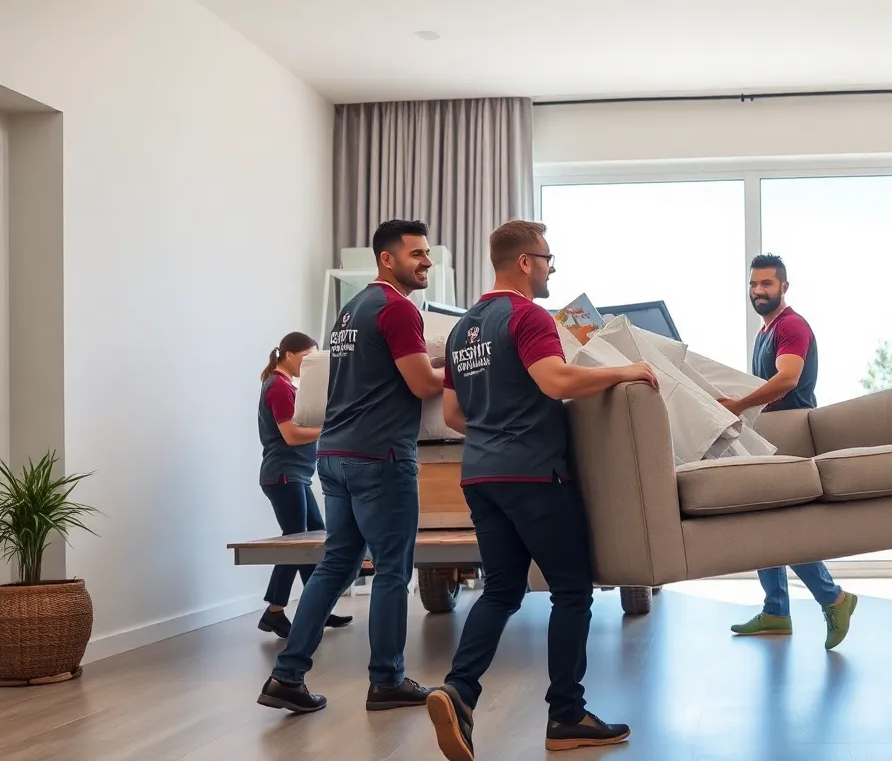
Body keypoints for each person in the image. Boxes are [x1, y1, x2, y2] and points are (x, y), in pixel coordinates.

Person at [427, 220, 656, 759]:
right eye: (549, 259)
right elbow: (554, 381)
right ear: (526, 262)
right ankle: (566, 714)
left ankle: (458, 691)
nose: (553, 268)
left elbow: (454, 414)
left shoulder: (463, 330)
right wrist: (627, 371)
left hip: (480, 475)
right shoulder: (527, 315)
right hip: (531, 473)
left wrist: (494, 425)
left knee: (502, 590)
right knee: (571, 590)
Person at [257, 219, 445, 714]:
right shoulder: (398, 309)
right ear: (388, 259)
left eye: (427, 253)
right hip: (380, 457)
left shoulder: (351, 309)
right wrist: (470, 368)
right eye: (417, 254)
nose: (426, 261)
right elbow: (423, 384)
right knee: (391, 570)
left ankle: (287, 674)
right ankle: (387, 679)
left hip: (335, 457)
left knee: (336, 564)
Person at [714, 253, 858, 651]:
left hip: (792, 431)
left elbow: (788, 378)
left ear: (784, 287)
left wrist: (740, 404)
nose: (758, 291)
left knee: (778, 527)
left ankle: (835, 599)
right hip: (772, 432)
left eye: (767, 284)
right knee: (764, 519)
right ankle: (776, 609)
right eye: (753, 284)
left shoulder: (791, 326)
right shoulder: (766, 332)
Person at [255, 332, 353, 638]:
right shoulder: (279, 387)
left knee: (313, 542)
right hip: (284, 475)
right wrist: (330, 428)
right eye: (306, 358)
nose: (310, 365)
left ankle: (317, 609)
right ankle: (274, 612)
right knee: (297, 545)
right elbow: (291, 436)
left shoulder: (285, 386)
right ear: (287, 354)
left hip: (294, 475)